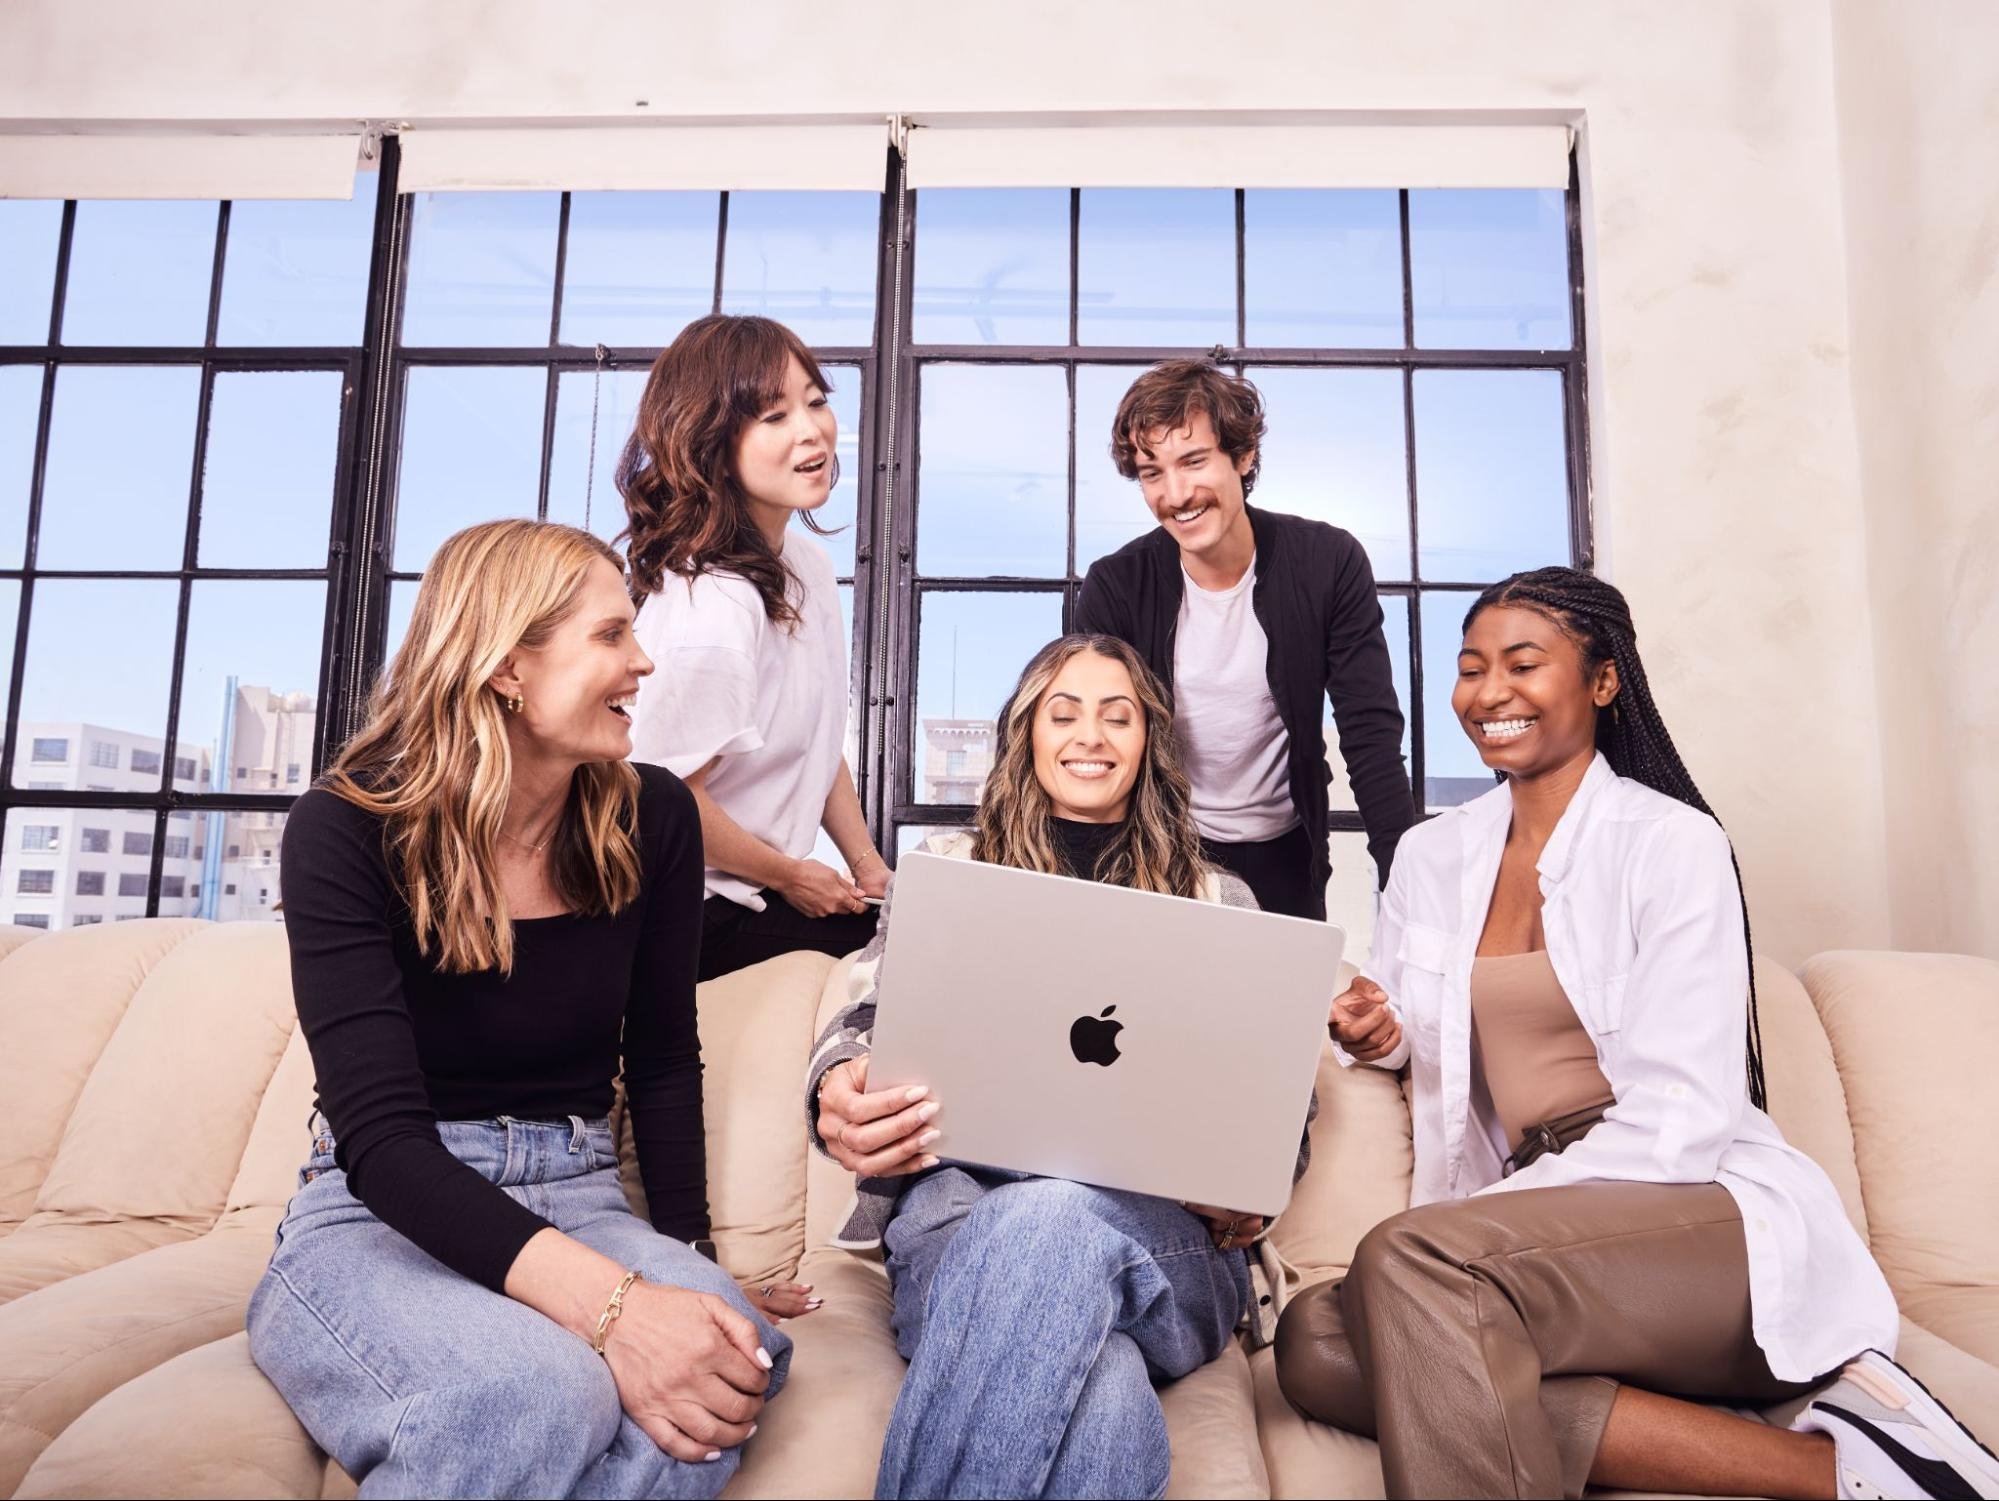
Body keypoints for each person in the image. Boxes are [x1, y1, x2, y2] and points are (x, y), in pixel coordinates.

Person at [1274, 567, 1998, 1501]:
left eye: (1522, 663)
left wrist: (1478, 1219)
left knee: (1411, 1263)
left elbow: (1685, 1116)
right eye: (1469, 667)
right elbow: (1431, 1034)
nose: (1488, 692)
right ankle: (1840, 1468)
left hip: (1690, 1199)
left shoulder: (1671, 842)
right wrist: (1381, 1033)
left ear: (1603, 681)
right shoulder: (1430, 853)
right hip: (1541, 1226)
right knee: (1317, 1343)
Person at [249, 520, 811, 1499]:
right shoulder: (342, 827)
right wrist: (619, 1309)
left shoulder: (655, 816)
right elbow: (381, 1143)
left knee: (736, 1350)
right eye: (610, 637)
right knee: (541, 1392)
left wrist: (681, 1263)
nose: (642, 663)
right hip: (381, 1215)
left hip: (584, 1191)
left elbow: (665, 1060)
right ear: (509, 665)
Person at [806, 634, 1313, 1500]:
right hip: (955, 1216)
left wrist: (1245, 1173)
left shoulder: (1218, 899)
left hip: (1165, 1242)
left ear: (1149, 738)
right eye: (1064, 712)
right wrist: (835, 1087)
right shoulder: (950, 875)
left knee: (1047, 1217)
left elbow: (1277, 1120)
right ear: (1025, 734)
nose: (1091, 735)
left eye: (1118, 716)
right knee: (1105, 1398)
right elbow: (860, 1019)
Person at [1075, 358, 1415, 919]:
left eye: (1194, 461)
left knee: (1281, 1005)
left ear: (1244, 455)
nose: (1176, 493)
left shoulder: (1327, 563)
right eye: (1152, 473)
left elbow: (1369, 733)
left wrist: (1406, 886)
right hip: (1161, 849)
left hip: (1289, 848)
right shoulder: (1117, 583)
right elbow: (1096, 742)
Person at [619, 313, 886, 982]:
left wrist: (868, 866)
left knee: (922, 932)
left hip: (757, 891)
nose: (811, 431)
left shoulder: (808, 564)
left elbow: (815, 743)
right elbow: (663, 797)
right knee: (918, 968)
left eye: (815, 402)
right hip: (688, 911)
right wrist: (794, 876)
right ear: (711, 441)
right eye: (772, 415)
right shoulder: (708, 602)